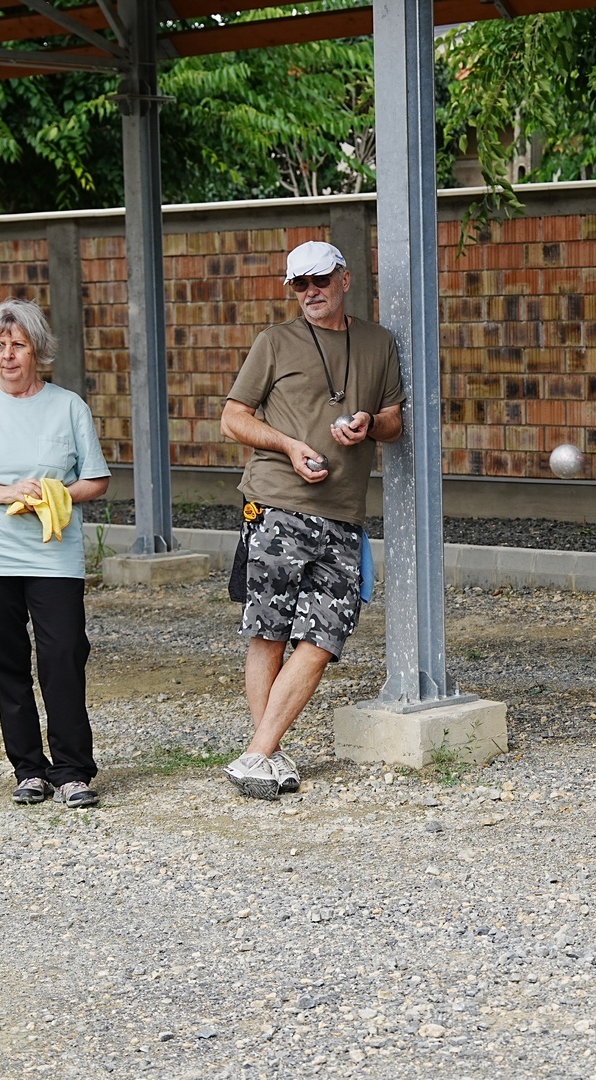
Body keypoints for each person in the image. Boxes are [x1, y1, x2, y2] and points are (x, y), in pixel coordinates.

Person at [219, 240, 405, 799]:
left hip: (344, 514)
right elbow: (233, 419)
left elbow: (395, 421)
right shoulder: (274, 341)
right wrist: (289, 445)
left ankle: (257, 754)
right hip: (275, 503)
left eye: (319, 280)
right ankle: (264, 755)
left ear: (344, 279)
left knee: (325, 636)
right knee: (269, 633)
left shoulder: (378, 342)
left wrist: (369, 424)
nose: (310, 292)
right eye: (299, 284)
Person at [0, 298, 111, 809]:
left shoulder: (69, 406)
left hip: (52, 555)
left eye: (18, 345)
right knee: (6, 662)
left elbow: (96, 480)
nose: (7, 355)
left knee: (63, 655)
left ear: (38, 351)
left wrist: (54, 495)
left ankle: (72, 771)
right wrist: (7, 492)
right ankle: (29, 769)